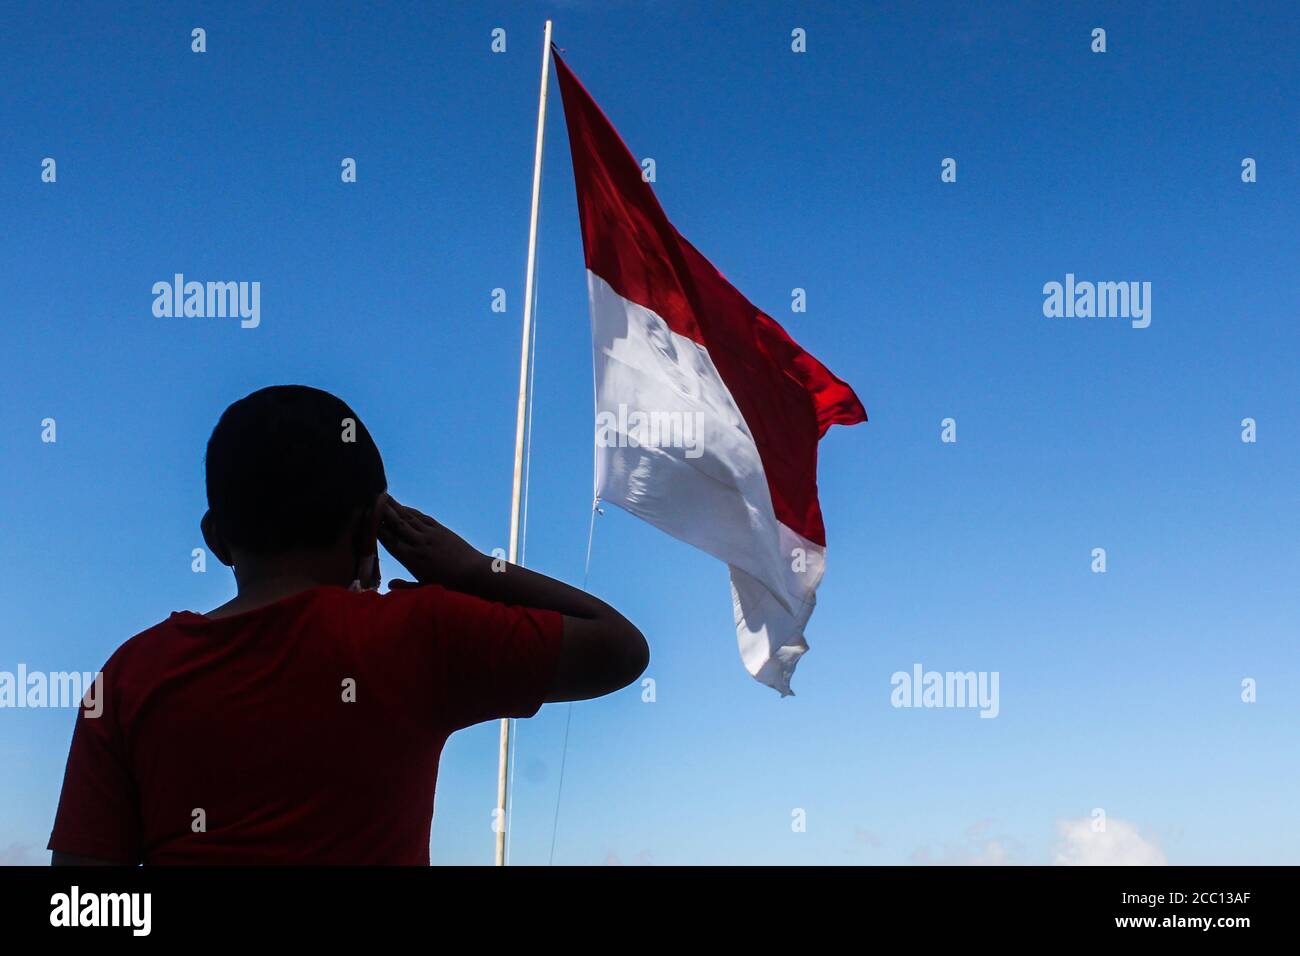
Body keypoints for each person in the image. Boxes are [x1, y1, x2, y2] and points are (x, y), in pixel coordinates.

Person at [48, 385, 647, 865]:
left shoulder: (130, 674)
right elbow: (621, 649)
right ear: (370, 531)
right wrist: (469, 568)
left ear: (215, 539)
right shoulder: (418, 635)